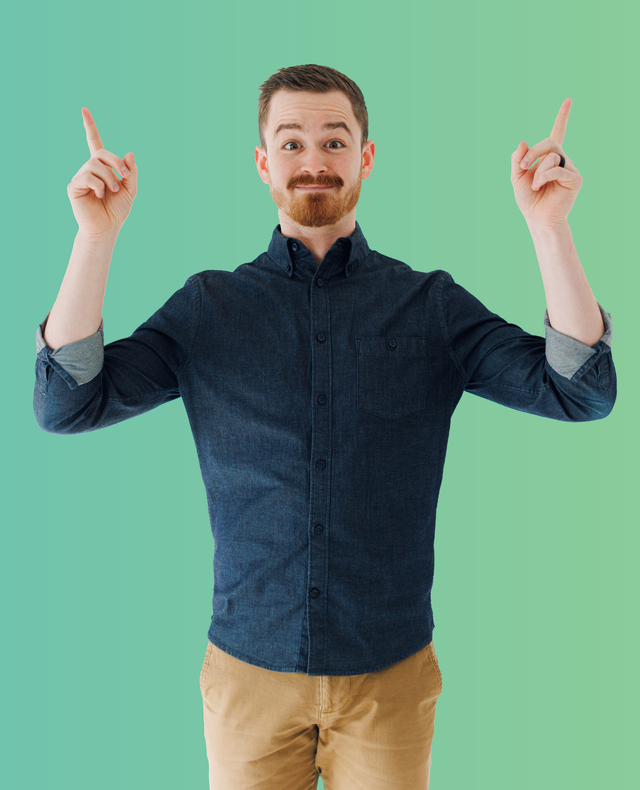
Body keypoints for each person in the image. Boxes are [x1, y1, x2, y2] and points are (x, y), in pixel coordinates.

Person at [33, 64, 616, 790]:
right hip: (247, 678)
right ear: (262, 162)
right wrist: (95, 238)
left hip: (390, 678)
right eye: (292, 143)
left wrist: (549, 229)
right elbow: (66, 404)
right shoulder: (207, 308)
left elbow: (580, 392)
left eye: (335, 141)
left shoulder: (429, 305)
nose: (314, 162)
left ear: (366, 156)